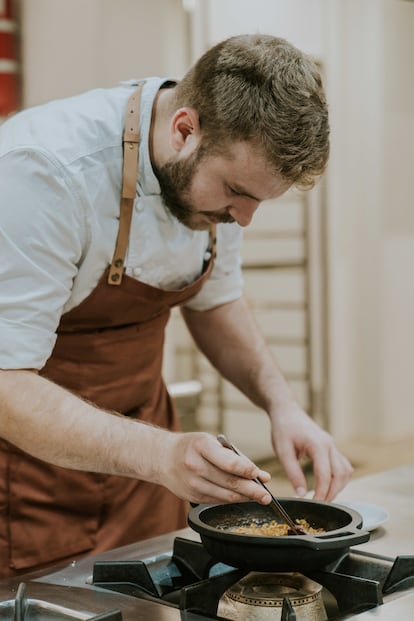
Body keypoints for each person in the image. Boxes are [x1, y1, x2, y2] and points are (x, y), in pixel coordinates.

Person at [0, 33, 353, 578]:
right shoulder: (45, 170)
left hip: (144, 479)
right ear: (184, 129)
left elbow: (217, 304)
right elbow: (5, 382)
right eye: (237, 193)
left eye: (259, 201)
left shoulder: (219, 186)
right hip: (27, 484)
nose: (245, 219)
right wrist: (158, 455)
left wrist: (282, 405)